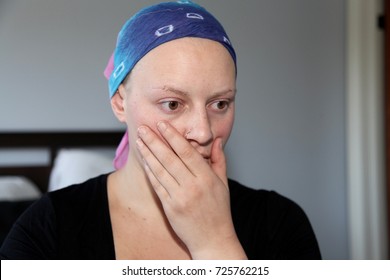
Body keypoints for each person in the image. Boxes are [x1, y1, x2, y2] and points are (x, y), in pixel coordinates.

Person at [0, 1, 321, 260]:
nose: (203, 132)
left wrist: (215, 244)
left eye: (220, 104)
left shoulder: (280, 224)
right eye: (172, 104)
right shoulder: (47, 231)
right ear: (120, 102)